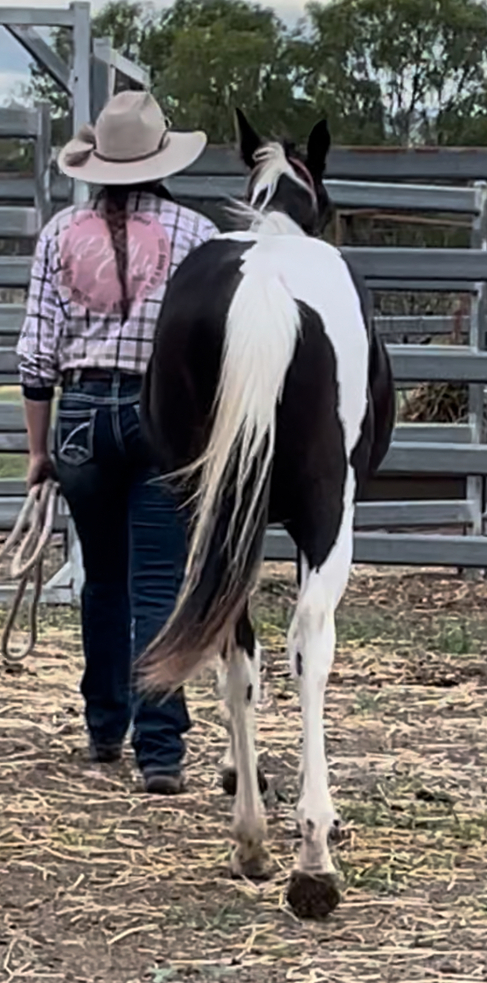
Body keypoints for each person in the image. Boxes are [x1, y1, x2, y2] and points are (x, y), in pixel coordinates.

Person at [17, 91, 219, 794]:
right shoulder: (199, 235)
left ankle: (105, 726)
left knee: (102, 580)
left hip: (80, 419)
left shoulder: (59, 233)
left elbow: (37, 357)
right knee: (159, 582)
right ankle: (160, 750)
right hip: (163, 414)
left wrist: (40, 453)